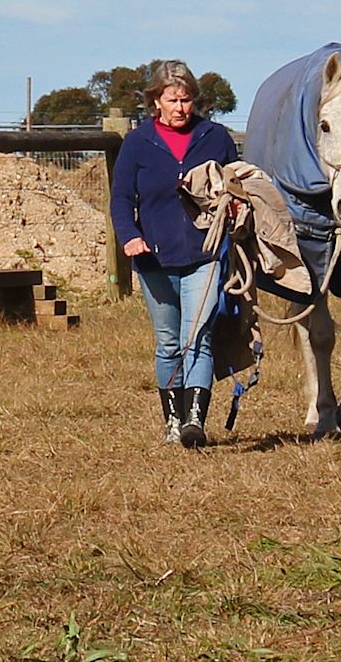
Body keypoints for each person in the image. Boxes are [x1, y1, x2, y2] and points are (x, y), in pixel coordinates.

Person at [109, 62, 238, 448]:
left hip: (205, 253)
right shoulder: (137, 143)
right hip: (153, 258)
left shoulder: (215, 137)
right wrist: (130, 236)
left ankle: (195, 422)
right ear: (155, 101)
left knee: (195, 339)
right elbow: (120, 199)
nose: (181, 108)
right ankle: (173, 422)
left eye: (186, 100)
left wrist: (235, 208)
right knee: (168, 343)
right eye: (173, 100)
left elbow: (237, 182)